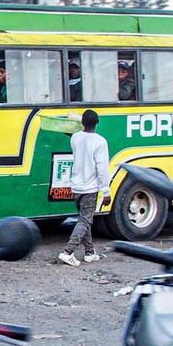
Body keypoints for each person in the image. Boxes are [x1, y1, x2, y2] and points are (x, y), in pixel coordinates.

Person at [58, 109, 111, 267]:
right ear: (97, 123)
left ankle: (90, 252)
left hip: (76, 187)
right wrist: (106, 191)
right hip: (90, 188)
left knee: (85, 219)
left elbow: (76, 136)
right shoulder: (100, 141)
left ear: (82, 122)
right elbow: (102, 169)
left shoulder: (75, 138)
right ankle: (68, 252)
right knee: (85, 220)